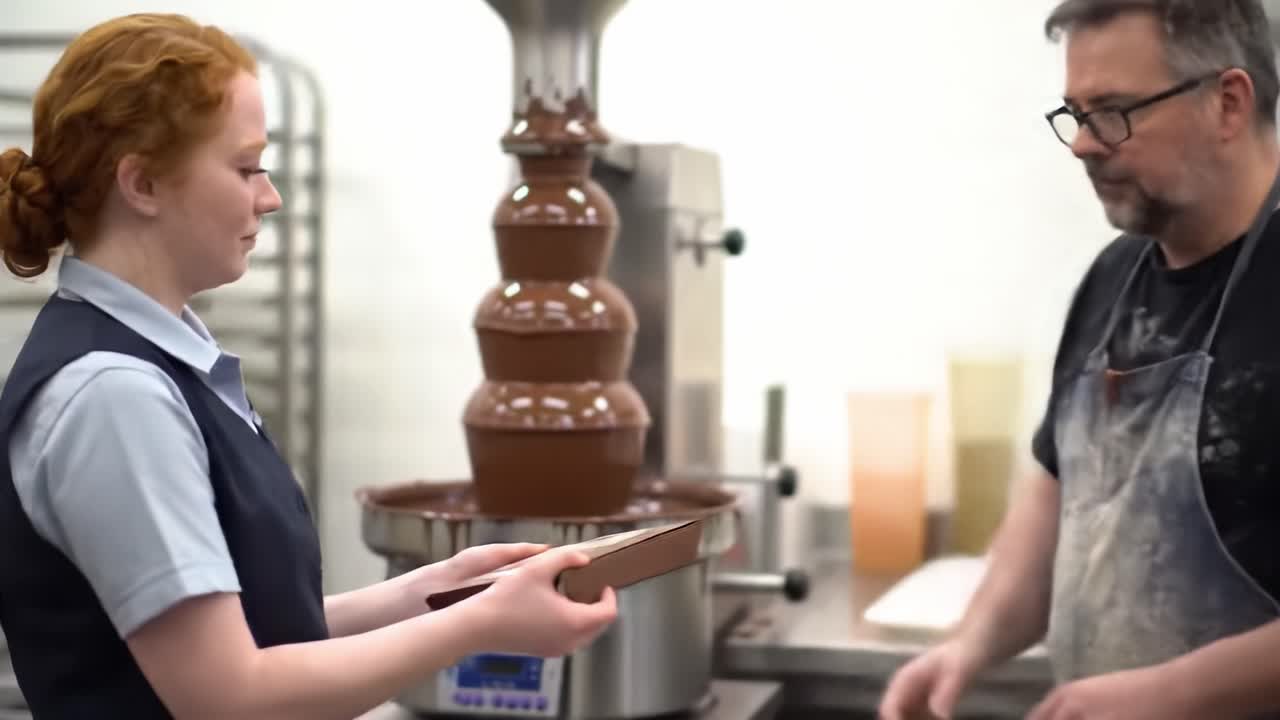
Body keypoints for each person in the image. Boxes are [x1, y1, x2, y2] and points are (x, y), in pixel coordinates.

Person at [0, 13, 617, 720]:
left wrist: (441, 590)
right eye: (246, 167)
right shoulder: (114, 396)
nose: (270, 196)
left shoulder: (165, 366)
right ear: (141, 184)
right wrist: (477, 628)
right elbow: (227, 696)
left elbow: (259, 630)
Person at [880, 1, 1280, 719]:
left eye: (1115, 111)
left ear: (1228, 103)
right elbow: (1058, 507)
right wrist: (966, 646)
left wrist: (1171, 696)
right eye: (1075, 113)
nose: (1083, 145)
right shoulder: (1113, 280)